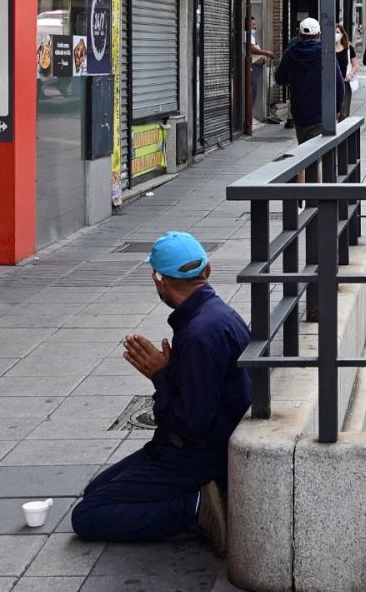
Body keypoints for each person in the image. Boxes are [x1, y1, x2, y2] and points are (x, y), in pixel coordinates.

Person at [72, 232, 251, 555]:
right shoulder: (214, 315)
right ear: (207, 271)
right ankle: (201, 495)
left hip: (194, 454)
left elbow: (191, 422)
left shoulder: (198, 334)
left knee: (88, 515)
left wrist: (160, 377)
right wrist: (171, 374)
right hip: (196, 443)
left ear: (159, 281)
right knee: (95, 491)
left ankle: (194, 509)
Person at [275, 17, 345, 143]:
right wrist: (337, 108)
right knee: (319, 155)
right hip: (321, 113)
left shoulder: (290, 53)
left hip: (300, 113)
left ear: (299, 33)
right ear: (319, 34)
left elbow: (280, 79)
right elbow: (338, 84)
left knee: (304, 152)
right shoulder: (325, 53)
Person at [243, 15, 275, 135]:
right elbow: (251, 49)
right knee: (251, 93)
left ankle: (249, 117)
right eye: (253, 25)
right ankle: (248, 118)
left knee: (253, 92)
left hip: (256, 67)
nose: (255, 26)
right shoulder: (247, 36)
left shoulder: (251, 36)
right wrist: (266, 53)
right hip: (252, 68)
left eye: (255, 24)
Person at [334, 24, 359, 122]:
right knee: (331, 113)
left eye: (337, 32)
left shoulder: (348, 49)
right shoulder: (325, 48)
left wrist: (350, 74)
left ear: (342, 34)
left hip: (345, 83)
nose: (335, 35)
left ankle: (343, 136)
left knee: (343, 114)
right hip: (330, 84)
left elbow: (356, 64)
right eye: (333, 33)